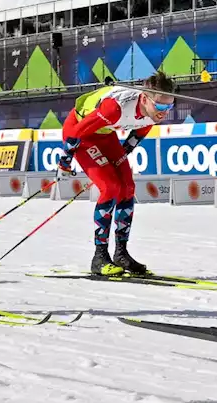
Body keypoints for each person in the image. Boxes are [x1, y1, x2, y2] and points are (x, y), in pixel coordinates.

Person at [58, 71, 177, 276]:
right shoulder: (114, 108)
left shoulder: (154, 112)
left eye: (169, 106)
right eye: (160, 106)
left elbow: (139, 133)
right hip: (82, 133)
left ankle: (121, 253)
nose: (164, 112)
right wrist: (65, 162)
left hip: (106, 134)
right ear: (144, 98)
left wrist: (121, 156)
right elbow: (76, 132)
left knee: (128, 187)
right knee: (110, 187)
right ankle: (99, 256)